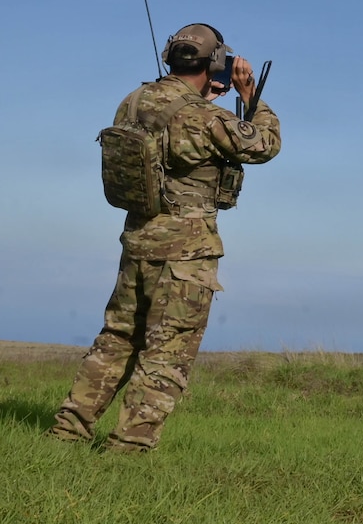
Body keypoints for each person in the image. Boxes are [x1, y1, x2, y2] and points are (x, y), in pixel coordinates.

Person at [48, 23, 281, 452]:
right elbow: (263, 144)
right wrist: (251, 99)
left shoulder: (132, 102)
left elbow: (169, 138)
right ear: (214, 63)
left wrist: (203, 102)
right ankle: (128, 448)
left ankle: (68, 429)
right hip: (186, 252)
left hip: (138, 238)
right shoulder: (204, 117)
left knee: (117, 338)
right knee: (167, 353)